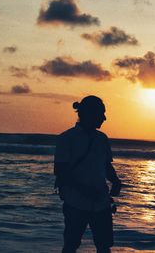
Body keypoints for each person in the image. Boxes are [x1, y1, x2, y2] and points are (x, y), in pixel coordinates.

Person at [54, 95, 122, 253]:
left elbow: (106, 165)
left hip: (101, 202)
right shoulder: (66, 138)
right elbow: (60, 171)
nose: (104, 118)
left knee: (104, 246)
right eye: (101, 113)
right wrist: (85, 190)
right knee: (71, 245)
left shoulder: (102, 138)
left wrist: (116, 181)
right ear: (89, 114)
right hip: (75, 202)